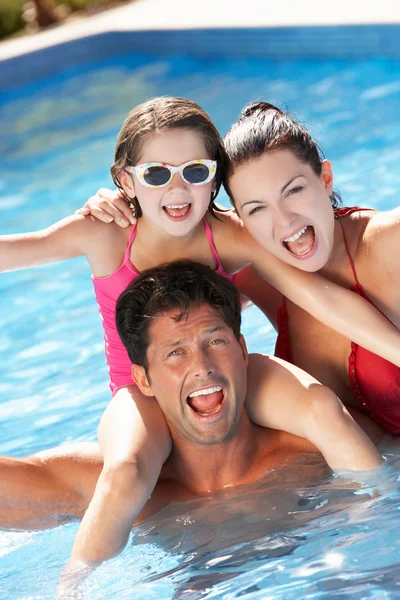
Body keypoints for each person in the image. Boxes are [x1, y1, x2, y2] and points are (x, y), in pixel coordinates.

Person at [1, 97, 397, 568]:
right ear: (125, 181)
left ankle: (380, 522)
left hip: (224, 367)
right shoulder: (103, 232)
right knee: (125, 473)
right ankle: (74, 582)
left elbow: (318, 297)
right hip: (141, 391)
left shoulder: (228, 234)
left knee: (322, 408)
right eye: (154, 174)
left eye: (194, 172)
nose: (176, 189)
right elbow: (17, 251)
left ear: (214, 179)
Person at [0, 260, 382, 536]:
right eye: (175, 353)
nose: (202, 367)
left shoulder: (319, 448)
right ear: (143, 380)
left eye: (215, 341)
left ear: (243, 350)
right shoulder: (129, 490)